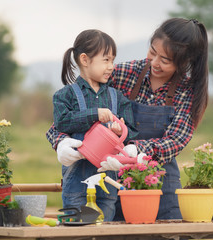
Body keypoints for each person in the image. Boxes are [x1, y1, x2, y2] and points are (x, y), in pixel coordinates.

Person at [46, 18, 209, 220]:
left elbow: (175, 141)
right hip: (114, 182)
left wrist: (134, 152)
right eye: (152, 51)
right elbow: (69, 117)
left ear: (184, 63)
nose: (154, 62)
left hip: (160, 185)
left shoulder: (188, 91)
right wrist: (60, 142)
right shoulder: (123, 73)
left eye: (165, 60)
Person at [52, 29, 137, 221]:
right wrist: (95, 114)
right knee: (77, 231)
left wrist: (120, 132)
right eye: (106, 60)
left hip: (108, 182)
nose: (111, 66)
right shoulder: (65, 95)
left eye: (113, 60)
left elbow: (130, 131)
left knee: (104, 229)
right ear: (85, 59)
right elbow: (62, 121)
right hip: (76, 184)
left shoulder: (117, 97)